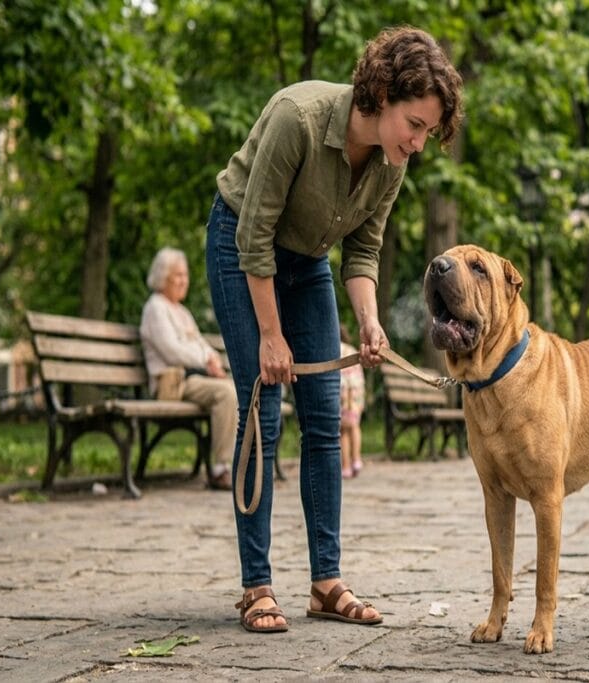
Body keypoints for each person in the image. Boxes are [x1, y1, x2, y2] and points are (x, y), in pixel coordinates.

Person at [205, 26, 463, 633]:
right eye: (415, 125)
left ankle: (325, 583)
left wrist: (371, 324)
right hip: (241, 246)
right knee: (263, 410)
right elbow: (255, 237)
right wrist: (272, 336)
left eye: (428, 131)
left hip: (308, 261)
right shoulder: (299, 116)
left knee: (325, 413)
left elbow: (362, 254)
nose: (419, 143)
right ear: (382, 95)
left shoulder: (390, 163)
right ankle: (256, 586)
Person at [140, 247, 238, 490]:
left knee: (235, 389)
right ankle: (221, 468)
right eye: (178, 275)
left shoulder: (181, 311)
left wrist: (211, 358)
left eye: (185, 275)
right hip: (173, 383)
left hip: (190, 379)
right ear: (163, 277)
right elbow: (172, 351)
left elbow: (202, 345)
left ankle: (240, 463)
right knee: (226, 393)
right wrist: (207, 361)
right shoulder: (156, 308)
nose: (184, 280)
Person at [339, 327, 365, 479]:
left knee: (343, 431)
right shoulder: (352, 349)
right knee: (355, 426)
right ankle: (356, 459)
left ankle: (347, 466)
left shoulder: (336, 350)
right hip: (356, 395)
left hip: (343, 395)